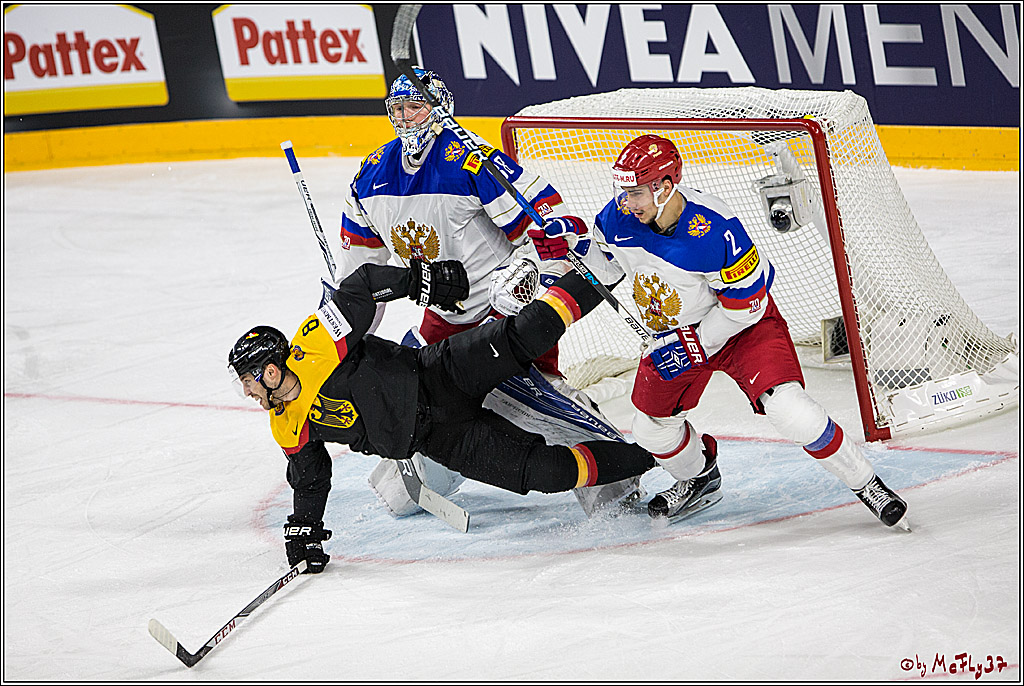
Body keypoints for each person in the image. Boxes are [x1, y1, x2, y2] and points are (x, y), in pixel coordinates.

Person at [529, 134, 909, 529]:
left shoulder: (716, 227)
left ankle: (868, 483)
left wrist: (695, 343)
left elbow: (748, 306)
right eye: (622, 191)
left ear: (664, 186)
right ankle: (699, 477)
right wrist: (570, 245)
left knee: (790, 410)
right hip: (675, 333)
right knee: (651, 429)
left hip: (742, 328)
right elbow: (606, 269)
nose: (627, 202)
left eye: (636, 192)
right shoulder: (618, 217)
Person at [331, 66, 639, 515]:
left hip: (506, 315)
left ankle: (617, 479)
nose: (405, 118)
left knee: (539, 402)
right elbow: (363, 271)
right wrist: (347, 334)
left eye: (415, 106)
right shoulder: (371, 175)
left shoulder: (472, 160)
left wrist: (531, 275)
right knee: (418, 419)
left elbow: (547, 226)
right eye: (397, 109)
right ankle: (433, 475)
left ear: (440, 110)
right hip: (442, 319)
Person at [227, 259, 656, 574]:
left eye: (247, 380)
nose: (246, 392)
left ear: (269, 370)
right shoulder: (285, 422)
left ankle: (602, 265)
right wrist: (304, 526)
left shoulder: (316, 344)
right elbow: (310, 475)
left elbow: (363, 285)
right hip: (442, 441)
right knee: (544, 473)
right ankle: (654, 453)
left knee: (524, 336)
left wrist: (420, 282)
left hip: (439, 374)